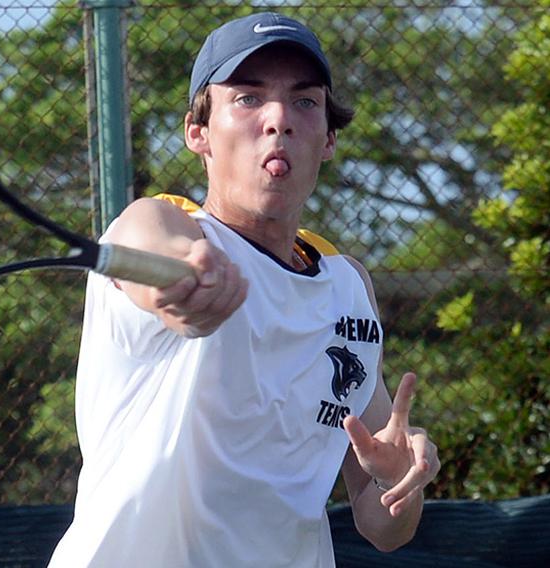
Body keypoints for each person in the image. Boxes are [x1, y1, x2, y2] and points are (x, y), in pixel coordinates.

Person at [48, 11, 440, 567]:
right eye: (248, 98)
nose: (278, 118)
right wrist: (181, 288)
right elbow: (149, 244)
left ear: (328, 139)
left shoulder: (348, 285)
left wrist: (403, 480)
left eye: (305, 101)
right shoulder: (161, 225)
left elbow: (380, 524)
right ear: (198, 133)